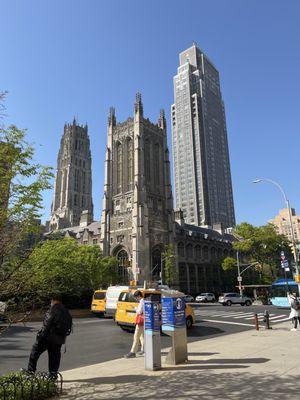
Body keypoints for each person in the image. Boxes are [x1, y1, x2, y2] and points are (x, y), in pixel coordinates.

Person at [22, 295, 72, 378]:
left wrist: (39, 336)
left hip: (47, 338)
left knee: (35, 352)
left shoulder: (52, 310)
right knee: (54, 357)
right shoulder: (66, 311)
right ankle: (53, 375)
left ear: (53, 300)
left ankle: (31, 372)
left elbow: (46, 325)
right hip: (59, 339)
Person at [124, 290, 144, 358]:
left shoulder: (141, 301)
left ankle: (133, 352)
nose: (136, 299)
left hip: (140, 322)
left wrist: (135, 308)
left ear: (138, 296)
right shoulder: (144, 301)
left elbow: (139, 312)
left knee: (136, 336)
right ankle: (144, 349)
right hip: (144, 321)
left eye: (136, 297)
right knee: (142, 336)